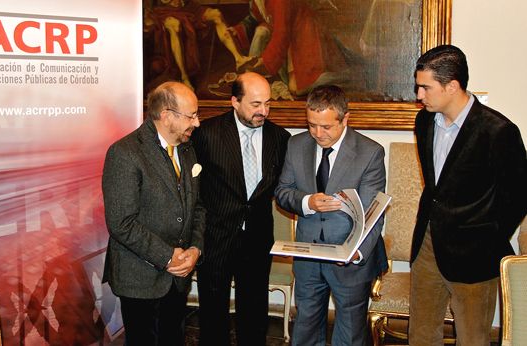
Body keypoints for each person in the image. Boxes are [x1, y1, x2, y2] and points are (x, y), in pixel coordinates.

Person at [409, 44, 527, 345]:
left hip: (475, 255)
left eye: (425, 87)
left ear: (452, 86)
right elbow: (436, 186)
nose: (419, 95)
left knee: (472, 338)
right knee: (420, 335)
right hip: (428, 245)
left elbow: (518, 196)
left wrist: (487, 234)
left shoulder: (498, 131)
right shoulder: (423, 121)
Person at [275, 84, 387, 345]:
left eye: (326, 127)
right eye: (312, 124)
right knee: (305, 327)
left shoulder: (369, 152)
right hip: (308, 253)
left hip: (349, 258)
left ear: (345, 118)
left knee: (349, 333)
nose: (317, 133)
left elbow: (373, 213)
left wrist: (355, 252)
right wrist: (307, 202)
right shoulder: (296, 144)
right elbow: (283, 191)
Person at [101, 81, 205, 346]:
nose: (197, 122)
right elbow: (121, 223)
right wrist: (168, 255)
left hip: (178, 276)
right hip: (140, 277)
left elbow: (198, 206)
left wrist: (195, 249)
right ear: (166, 115)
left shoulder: (187, 148)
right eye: (191, 115)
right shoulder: (125, 153)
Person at [191, 72, 290, 346]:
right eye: (256, 104)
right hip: (216, 237)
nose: (264, 111)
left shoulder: (279, 138)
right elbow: (192, 189)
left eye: (268, 104)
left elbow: (283, 187)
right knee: (213, 313)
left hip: (257, 238)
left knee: (255, 311)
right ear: (235, 101)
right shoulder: (207, 134)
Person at [144, 0, 254, 90]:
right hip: (164, 11)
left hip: (187, 7)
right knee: (175, 26)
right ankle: (184, 77)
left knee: (216, 14)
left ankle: (238, 58)